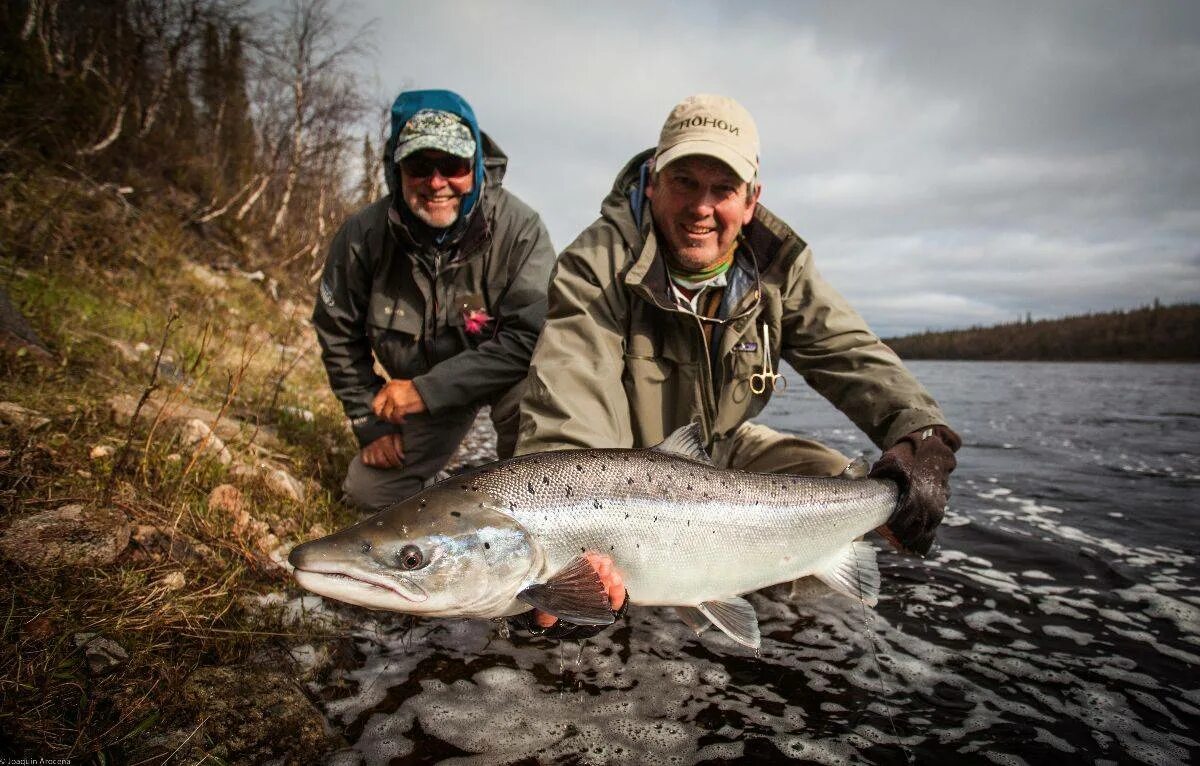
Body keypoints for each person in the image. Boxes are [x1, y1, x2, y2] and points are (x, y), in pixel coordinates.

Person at [515, 94, 961, 636]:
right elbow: (570, 396)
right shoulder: (598, 263)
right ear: (653, 181)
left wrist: (919, 430)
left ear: (751, 199)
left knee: (832, 481)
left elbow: (849, 351)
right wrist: (565, 554)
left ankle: (787, 591)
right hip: (621, 465)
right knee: (572, 584)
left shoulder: (778, 265)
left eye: (722, 189)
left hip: (720, 447)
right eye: (684, 182)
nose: (701, 208)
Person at [313, 89, 555, 513]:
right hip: (422, 396)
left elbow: (531, 337)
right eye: (420, 166)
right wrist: (369, 425)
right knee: (368, 493)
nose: (437, 182)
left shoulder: (520, 229)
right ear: (397, 170)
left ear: (476, 166)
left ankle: (531, 509)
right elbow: (337, 334)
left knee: (531, 396)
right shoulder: (363, 237)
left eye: (454, 166)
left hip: (496, 384)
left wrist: (426, 391)